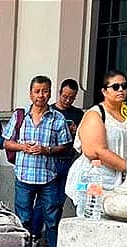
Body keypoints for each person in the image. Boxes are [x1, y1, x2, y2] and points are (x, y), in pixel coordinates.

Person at [3, 75, 71, 247]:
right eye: (37, 91)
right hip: (24, 176)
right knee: (23, 218)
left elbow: (65, 146)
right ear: (31, 93)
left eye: (45, 91)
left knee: (52, 220)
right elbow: (6, 142)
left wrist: (46, 150)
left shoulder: (57, 118)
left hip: (48, 176)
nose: (41, 95)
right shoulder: (20, 116)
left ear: (50, 93)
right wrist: (22, 147)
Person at [65, 70, 127, 216]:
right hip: (95, 179)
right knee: (90, 220)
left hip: (119, 181)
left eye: (124, 86)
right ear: (104, 91)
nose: (121, 90)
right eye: (115, 87)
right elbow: (96, 151)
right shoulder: (95, 114)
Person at [50, 79, 84, 216]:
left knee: (59, 201)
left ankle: (54, 233)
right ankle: (36, 233)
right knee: (45, 202)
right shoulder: (50, 111)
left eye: (72, 98)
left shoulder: (78, 114)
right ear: (59, 93)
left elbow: (84, 138)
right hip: (51, 161)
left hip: (70, 161)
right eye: (65, 96)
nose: (68, 100)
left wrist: (77, 132)